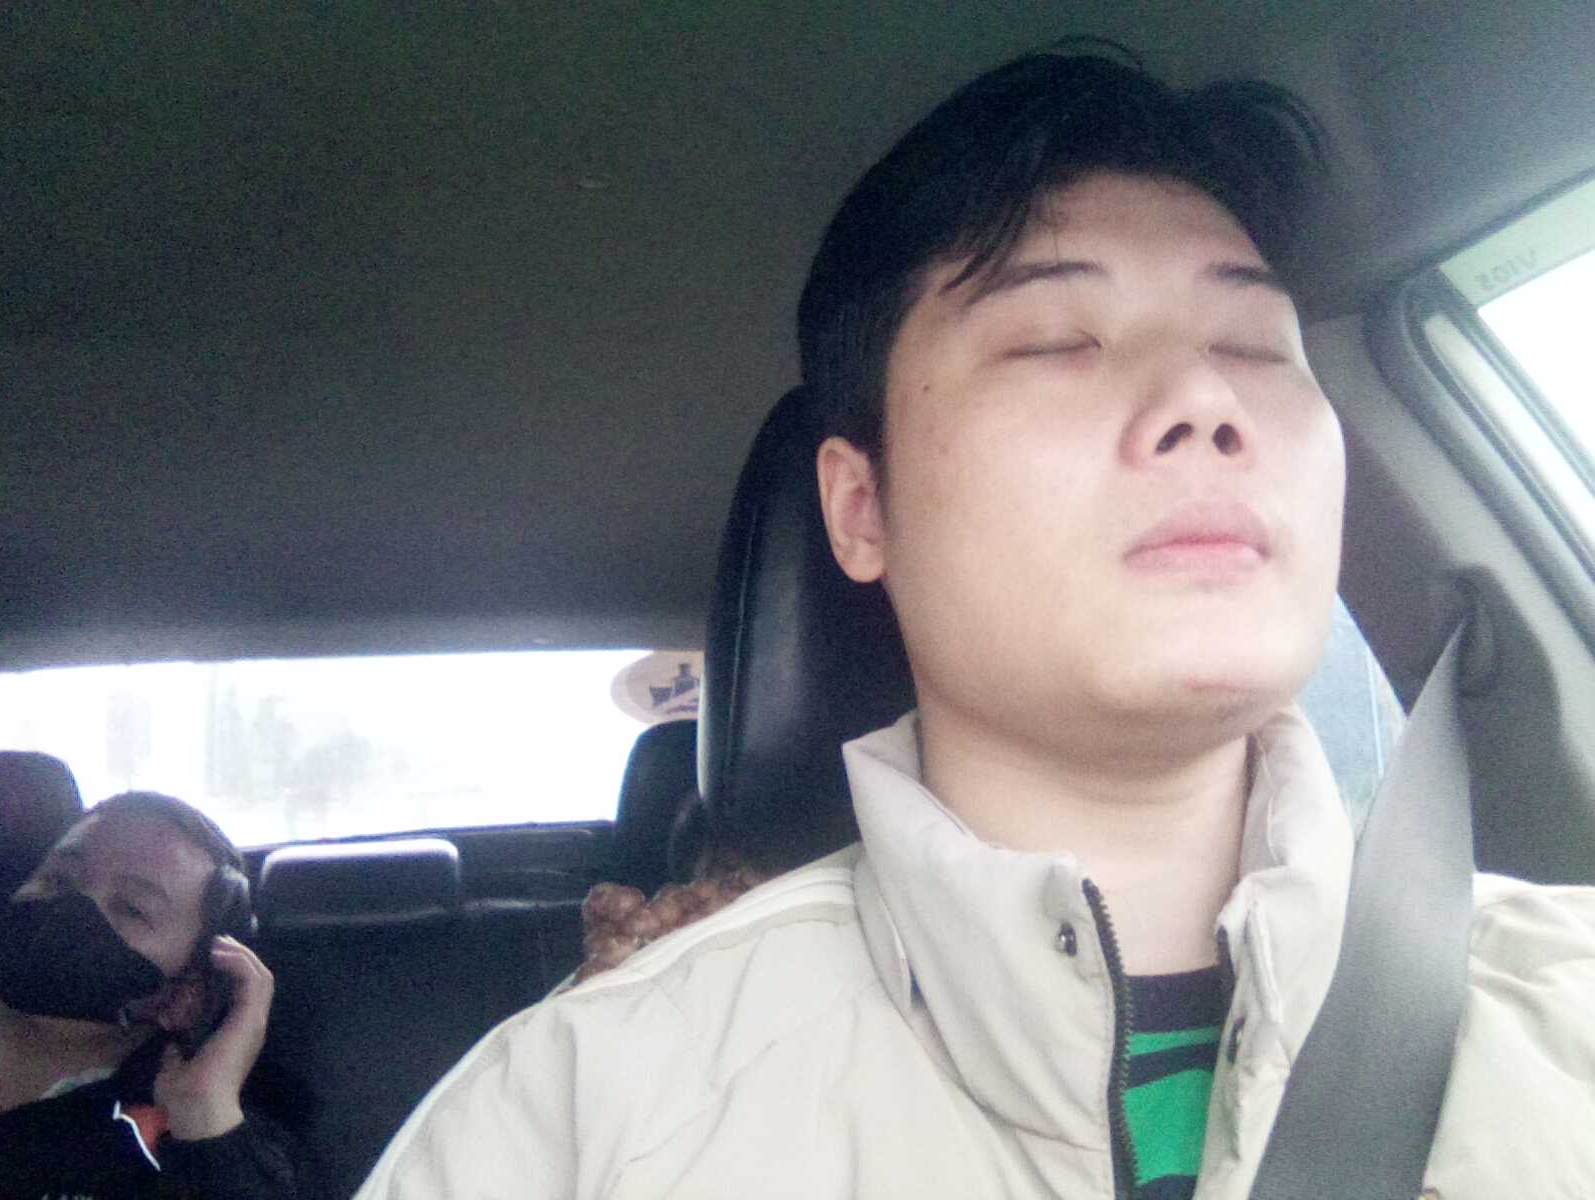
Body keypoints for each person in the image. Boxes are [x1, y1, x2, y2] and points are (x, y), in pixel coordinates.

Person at [354, 49, 1595, 1199]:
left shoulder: (1564, 1007)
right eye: (1057, 343)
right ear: (861, 509)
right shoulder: (573, 1127)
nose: (1205, 394)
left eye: (1253, 342)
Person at [0, 789, 311, 1198]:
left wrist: (204, 1113)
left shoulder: (179, 1145)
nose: (69, 906)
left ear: (183, 998)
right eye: (58, 879)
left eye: (132, 908)